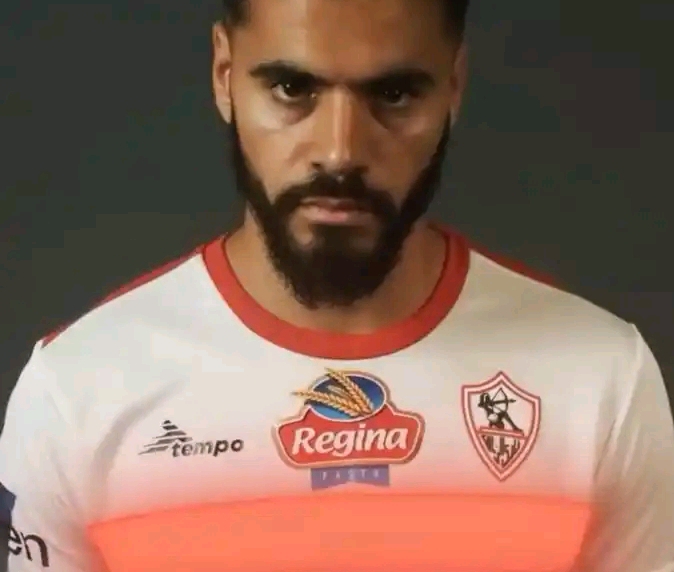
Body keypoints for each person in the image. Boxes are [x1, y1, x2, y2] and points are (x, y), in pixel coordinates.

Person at [1, 0, 673, 570]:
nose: (341, 151)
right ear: (224, 76)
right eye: (292, 88)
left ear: (454, 87)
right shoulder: (78, 390)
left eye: (394, 94)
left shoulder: (600, 377)